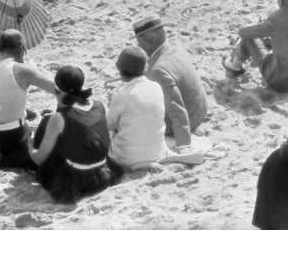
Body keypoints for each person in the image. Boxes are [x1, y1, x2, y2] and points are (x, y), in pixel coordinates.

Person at [28, 65, 118, 204]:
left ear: (57, 90)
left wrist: (29, 143)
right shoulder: (99, 105)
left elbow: (39, 158)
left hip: (78, 181)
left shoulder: (58, 118)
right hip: (104, 173)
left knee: (44, 150)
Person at [0, 30, 57, 169]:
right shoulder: (21, 70)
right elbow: (55, 88)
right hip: (14, 137)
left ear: (0, 48)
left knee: (27, 114)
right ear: (21, 48)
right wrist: (41, 72)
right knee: (46, 123)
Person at [132, 17, 207, 151]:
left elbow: (176, 109)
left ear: (148, 43)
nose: (138, 46)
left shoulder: (159, 71)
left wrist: (183, 144)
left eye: (139, 42)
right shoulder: (175, 50)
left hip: (186, 120)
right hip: (199, 113)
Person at [105, 46, 168, 171]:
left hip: (126, 159)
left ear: (120, 69)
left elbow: (108, 126)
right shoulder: (156, 87)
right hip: (157, 153)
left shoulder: (122, 95)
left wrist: (110, 105)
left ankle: (133, 165)